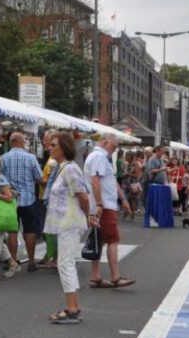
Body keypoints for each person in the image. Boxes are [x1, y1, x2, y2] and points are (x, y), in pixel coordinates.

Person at [44, 133, 92, 323]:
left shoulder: (70, 169)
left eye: (53, 145)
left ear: (63, 148)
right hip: (65, 223)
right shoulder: (62, 168)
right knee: (66, 263)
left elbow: (83, 196)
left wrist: (87, 216)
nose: (50, 147)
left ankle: (72, 308)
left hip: (70, 223)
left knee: (65, 264)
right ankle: (72, 306)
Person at [84, 133, 135, 289]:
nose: (114, 149)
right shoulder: (99, 157)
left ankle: (96, 276)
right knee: (112, 240)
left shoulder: (100, 157)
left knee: (99, 239)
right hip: (104, 205)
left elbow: (110, 180)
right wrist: (100, 203)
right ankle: (115, 277)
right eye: (114, 146)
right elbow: (95, 181)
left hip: (103, 204)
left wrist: (123, 199)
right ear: (106, 142)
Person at [1, 132, 42, 271]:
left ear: (11, 142)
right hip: (28, 199)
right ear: (19, 142)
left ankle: (13, 261)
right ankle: (31, 262)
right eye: (24, 140)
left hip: (10, 200)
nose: (25, 142)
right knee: (30, 230)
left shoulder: (3, 158)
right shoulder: (30, 158)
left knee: (13, 231)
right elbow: (39, 178)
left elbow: (0, 180)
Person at [38, 130, 60, 269]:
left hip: (50, 200)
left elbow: (52, 182)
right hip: (47, 198)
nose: (44, 141)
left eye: (46, 139)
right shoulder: (52, 160)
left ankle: (54, 258)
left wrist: (39, 180)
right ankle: (50, 256)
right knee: (49, 231)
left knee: (51, 231)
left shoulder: (52, 162)